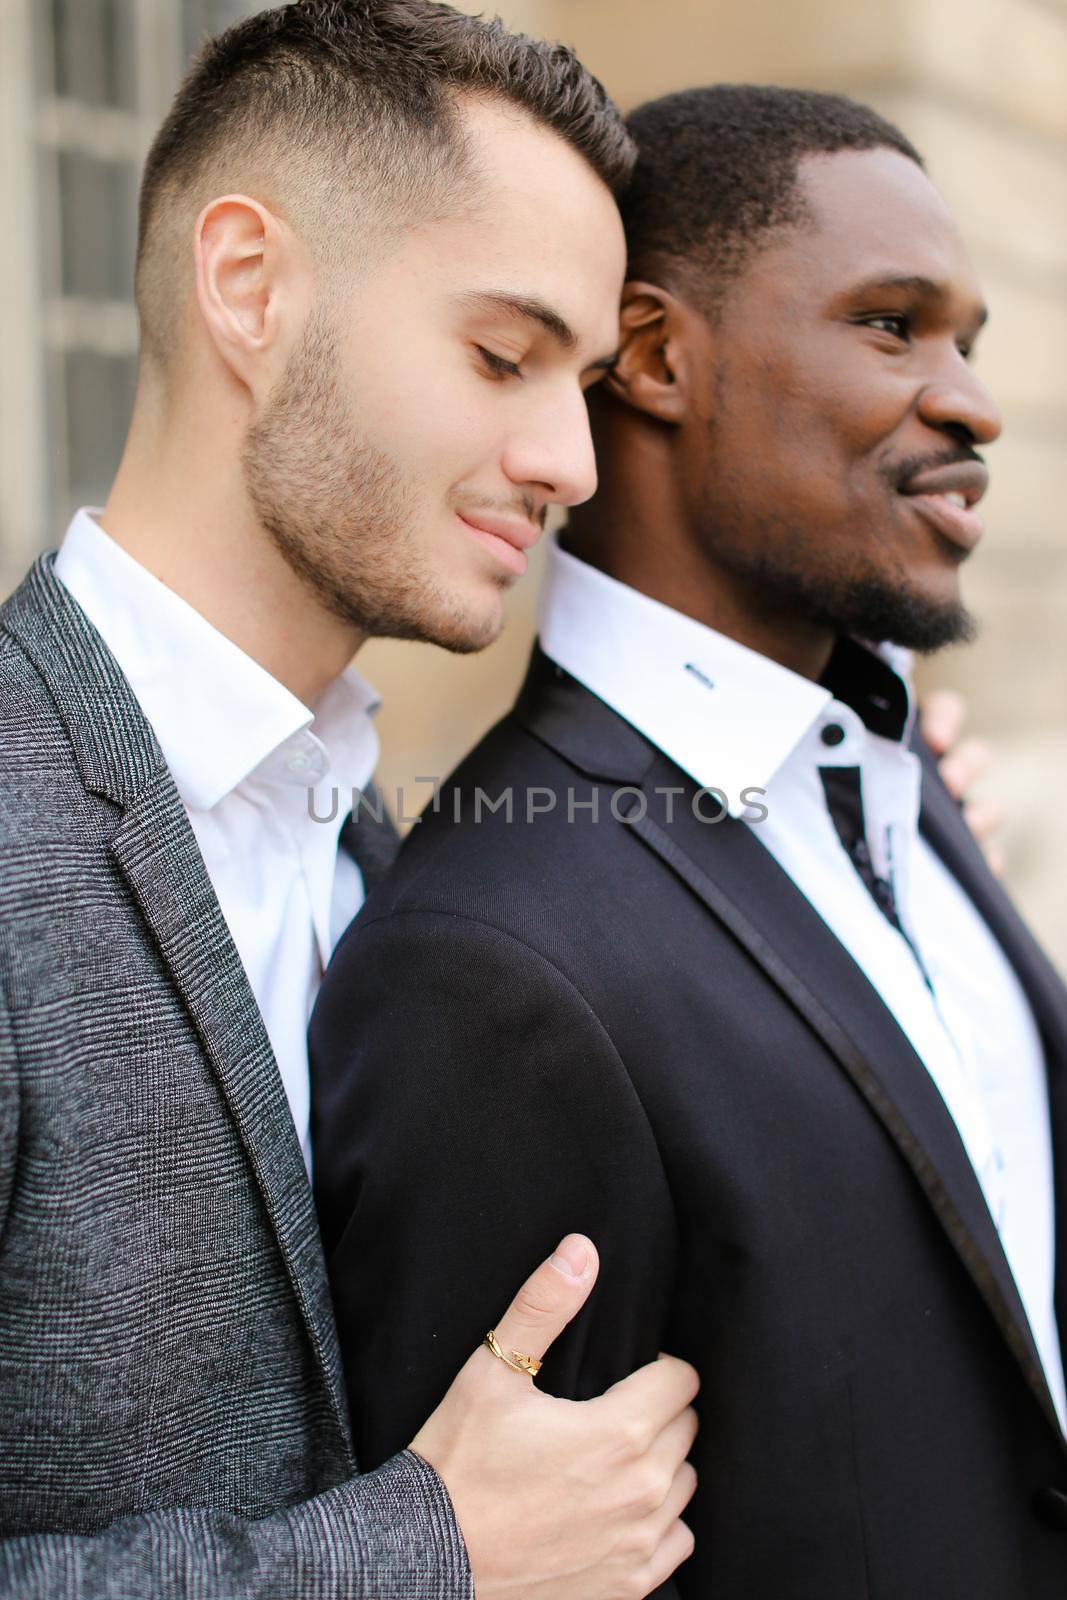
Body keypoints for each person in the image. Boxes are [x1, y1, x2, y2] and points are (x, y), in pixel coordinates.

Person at [311, 86, 1067, 1599]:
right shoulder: (490, 965)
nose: (972, 400)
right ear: (654, 357)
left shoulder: (903, 787)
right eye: (891, 325)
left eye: (969, 339)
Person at [0, 5, 701, 1596]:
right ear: (250, 288)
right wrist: (425, 1557)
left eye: (583, 378)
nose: (574, 460)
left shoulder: (379, 839)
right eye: (503, 355)